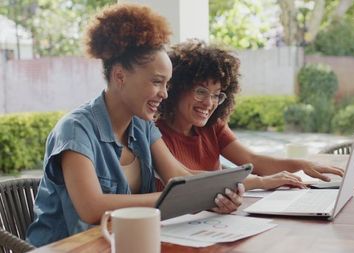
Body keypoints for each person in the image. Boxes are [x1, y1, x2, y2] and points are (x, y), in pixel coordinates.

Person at [26, 4, 242, 247]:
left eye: (167, 84)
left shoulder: (142, 125)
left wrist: (220, 193)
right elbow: (91, 207)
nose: (164, 94)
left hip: (124, 243)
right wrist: (173, 200)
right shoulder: (75, 130)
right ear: (120, 76)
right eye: (157, 82)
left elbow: (180, 176)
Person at [156, 39, 344, 191]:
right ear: (176, 88)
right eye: (201, 91)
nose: (209, 103)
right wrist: (257, 182)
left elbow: (254, 161)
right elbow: (184, 181)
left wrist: (302, 164)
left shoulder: (213, 126)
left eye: (216, 95)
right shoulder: (155, 134)